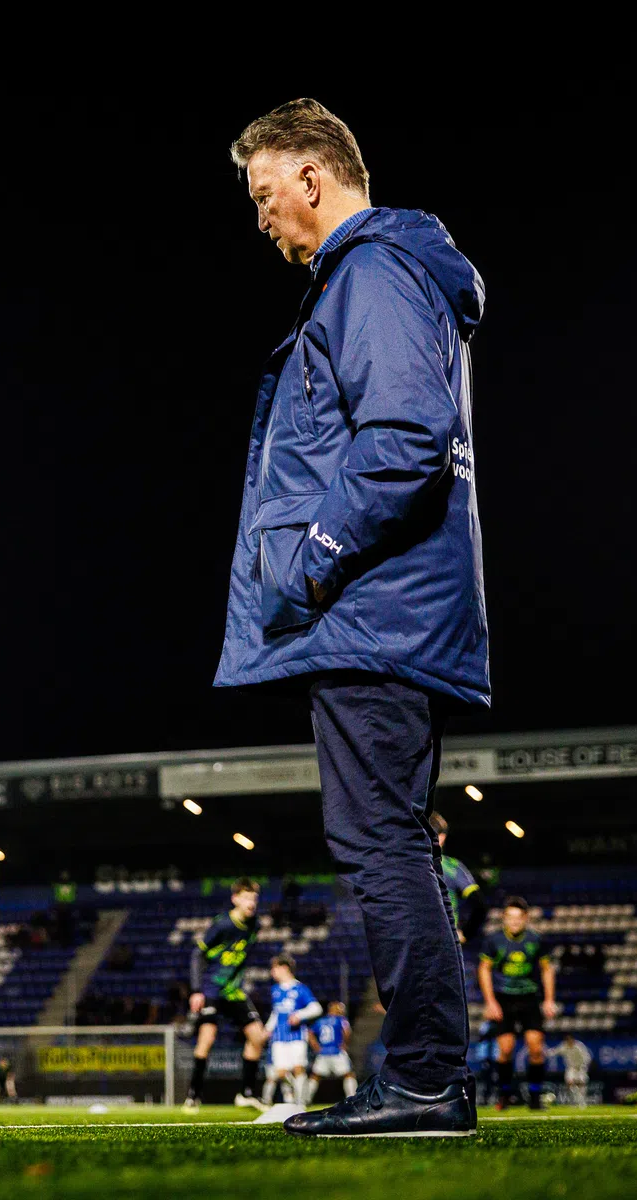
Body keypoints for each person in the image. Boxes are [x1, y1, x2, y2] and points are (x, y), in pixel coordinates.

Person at [215, 99, 487, 1139]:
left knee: (378, 841)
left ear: (311, 176)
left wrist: (315, 562)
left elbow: (407, 435)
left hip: (375, 610)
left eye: (262, 195)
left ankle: (423, 1080)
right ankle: (424, 1075)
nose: (259, 219)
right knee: (390, 838)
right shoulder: (390, 273)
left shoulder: (368, 272)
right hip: (393, 610)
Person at [184, 879, 268, 1113]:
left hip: (234, 991)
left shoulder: (255, 925)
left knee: (257, 1037)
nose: (251, 903)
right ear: (235, 899)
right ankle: (193, 1095)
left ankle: (246, 1094)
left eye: (254, 898)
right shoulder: (222, 924)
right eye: (246, 898)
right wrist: (196, 990)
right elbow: (197, 955)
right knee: (207, 1038)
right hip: (212, 989)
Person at [477, 897, 557, 1110]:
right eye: (510, 917)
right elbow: (484, 969)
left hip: (529, 997)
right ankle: (505, 1095)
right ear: (504, 918)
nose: (514, 921)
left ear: (525, 918)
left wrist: (549, 1000)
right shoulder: (494, 940)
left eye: (518, 917)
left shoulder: (535, 939)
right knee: (505, 1050)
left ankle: (535, 1096)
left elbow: (547, 969)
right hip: (504, 998)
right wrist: (490, 1002)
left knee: (536, 1048)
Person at [264, 955, 322, 1107]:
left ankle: (300, 1102)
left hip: (296, 1035)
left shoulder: (300, 988)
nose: (272, 972)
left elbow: (316, 1008)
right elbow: (276, 1012)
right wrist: (268, 1029)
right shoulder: (275, 990)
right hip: (279, 1036)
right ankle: (292, 1096)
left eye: (274, 968)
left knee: (298, 1068)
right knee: (280, 1072)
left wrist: (299, 1015)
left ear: (284, 968)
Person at [430, 813, 484, 945]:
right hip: (445, 943)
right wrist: (466, 934)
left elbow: (479, 905)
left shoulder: (404, 866)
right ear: (442, 838)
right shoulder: (452, 867)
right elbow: (480, 905)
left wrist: (465, 933)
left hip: (420, 943)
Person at [308, 1001, 357, 1102]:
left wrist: (316, 1046)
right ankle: (351, 1098)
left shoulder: (321, 1020)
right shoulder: (341, 1019)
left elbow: (309, 1033)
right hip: (337, 1051)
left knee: (315, 1076)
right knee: (349, 1074)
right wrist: (344, 1043)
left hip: (323, 1052)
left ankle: (305, 1099)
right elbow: (347, 1031)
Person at [556, 1033, 592, 1108]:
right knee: (570, 1083)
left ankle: (582, 1102)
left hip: (581, 1067)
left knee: (582, 1084)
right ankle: (574, 1101)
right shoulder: (564, 1046)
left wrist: (584, 1066)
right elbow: (555, 1051)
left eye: (570, 1040)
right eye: (567, 1040)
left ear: (573, 1040)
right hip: (571, 1068)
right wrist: (546, 1053)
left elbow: (586, 1056)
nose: (569, 1042)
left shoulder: (579, 1046)